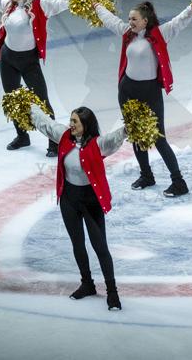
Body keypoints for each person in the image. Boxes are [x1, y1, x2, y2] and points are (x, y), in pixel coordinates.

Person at [30, 104, 127, 310]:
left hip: (91, 202)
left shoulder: (99, 144)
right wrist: (29, 107)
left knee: (100, 247)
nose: (71, 124)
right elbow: (46, 124)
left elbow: (116, 137)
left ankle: (112, 292)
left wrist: (130, 127)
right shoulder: (64, 136)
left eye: (75, 121)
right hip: (69, 199)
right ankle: (87, 284)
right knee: (78, 244)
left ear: (86, 125)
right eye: (71, 120)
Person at [94, 1, 192, 196]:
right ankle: (146, 175)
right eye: (129, 18)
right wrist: (97, 6)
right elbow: (111, 21)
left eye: (134, 19)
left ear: (145, 21)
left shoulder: (160, 33)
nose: (130, 22)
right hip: (127, 91)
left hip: (150, 92)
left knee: (158, 138)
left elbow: (179, 21)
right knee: (136, 134)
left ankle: (179, 182)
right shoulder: (127, 33)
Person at [0, 0, 73, 157]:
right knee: (13, 99)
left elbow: (62, 1)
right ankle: (22, 137)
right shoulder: (8, 6)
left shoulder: (40, 6)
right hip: (8, 59)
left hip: (28, 61)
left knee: (43, 102)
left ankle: (54, 142)